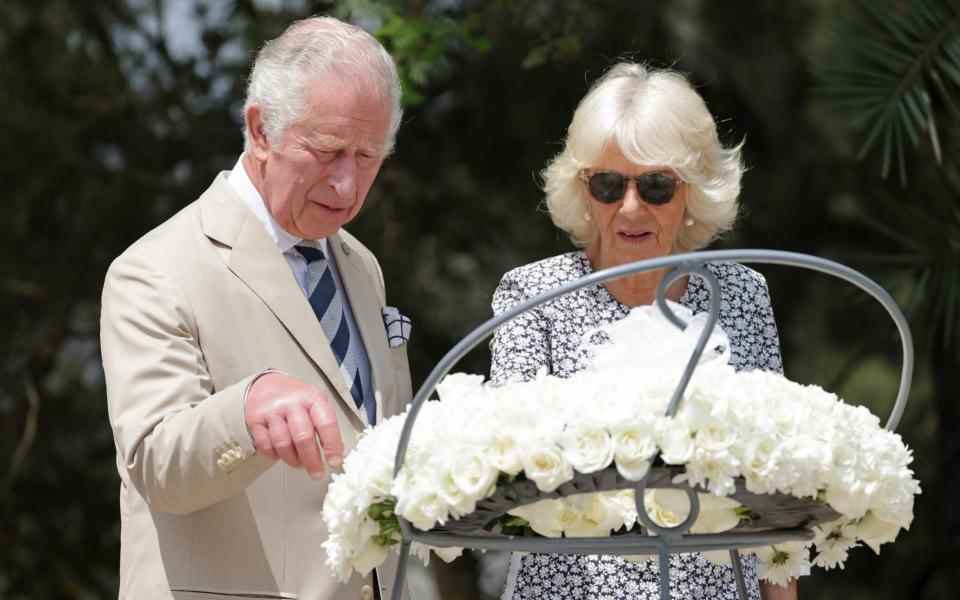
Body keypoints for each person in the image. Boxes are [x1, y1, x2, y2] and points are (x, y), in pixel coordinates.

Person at [100, 17, 413, 600]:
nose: (347, 185)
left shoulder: (360, 265)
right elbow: (155, 465)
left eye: (368, 157)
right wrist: (244, 411)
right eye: (326, 151)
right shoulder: (153, 269)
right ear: (260, 129)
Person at [488, 63, 797, 600]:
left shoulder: (741, 294)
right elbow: (508, 480)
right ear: (584, 190)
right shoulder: (531, 297)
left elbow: (776, 490)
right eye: (608, 184)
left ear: (693, 191)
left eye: (656, 185)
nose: (630, 207)